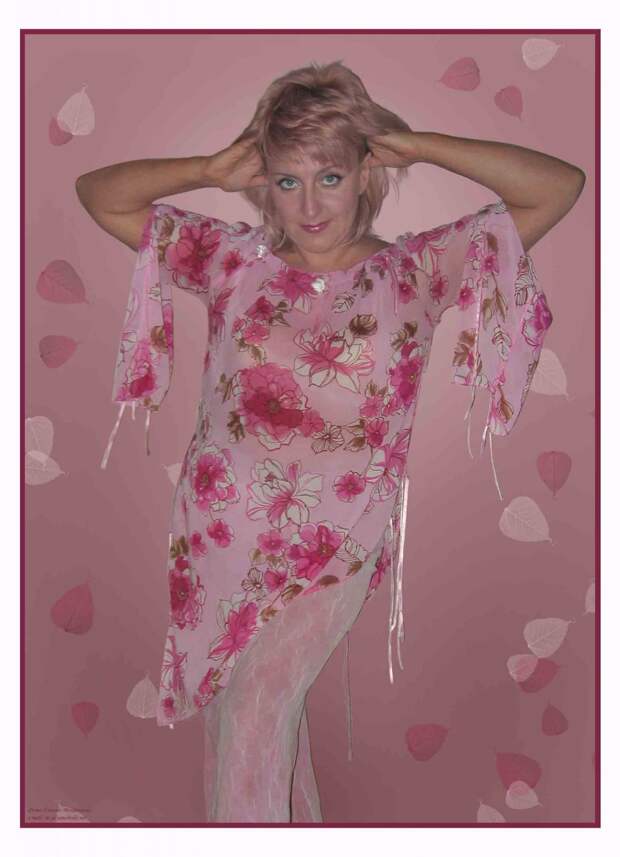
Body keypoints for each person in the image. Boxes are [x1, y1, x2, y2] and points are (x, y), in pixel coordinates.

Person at [75, 59, 583, 824]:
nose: (309, 204)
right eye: (288, 180)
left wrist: (421, 145)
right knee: (243, 717)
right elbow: (98, 194)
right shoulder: (229, 260)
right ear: (264, 181)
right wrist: (207, 169)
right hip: (223, 533)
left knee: (258, 707)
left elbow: (559, 186)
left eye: (330, 177)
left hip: (334, 540)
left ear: (364, 173)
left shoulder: (416, 272)